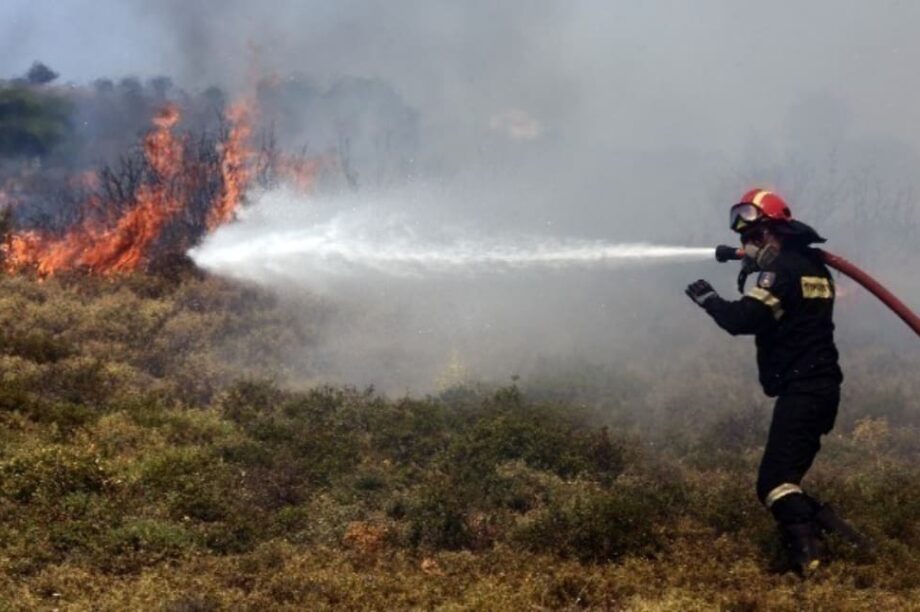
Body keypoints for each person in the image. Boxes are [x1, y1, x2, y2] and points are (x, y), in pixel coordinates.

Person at [685, 188, 865, 574]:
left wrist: (709, 300)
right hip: (817, 388)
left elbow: (742, 321)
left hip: (805, 389)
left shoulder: (781, 271)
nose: (748, 246)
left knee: (773, 483)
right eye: (743, 241)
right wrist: (751, 268)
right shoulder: (812, 267)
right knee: (785, 480)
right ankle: (857, 547)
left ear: (774, 232)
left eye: (754, 237)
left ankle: (810, 562)